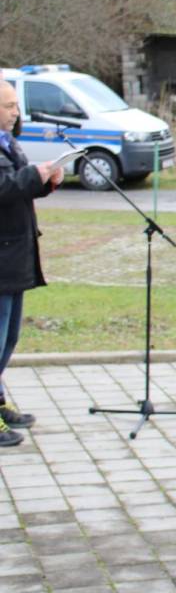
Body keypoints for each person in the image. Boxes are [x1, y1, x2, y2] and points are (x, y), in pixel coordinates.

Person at [0, 80, 63, 447]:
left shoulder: (9, 142)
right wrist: (30, 176)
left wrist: (46, 181)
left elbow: (18, 188)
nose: (16, 112)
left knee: (9, 337)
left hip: (16, 252)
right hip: (2, 255)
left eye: (16, 105)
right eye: (9, 106)